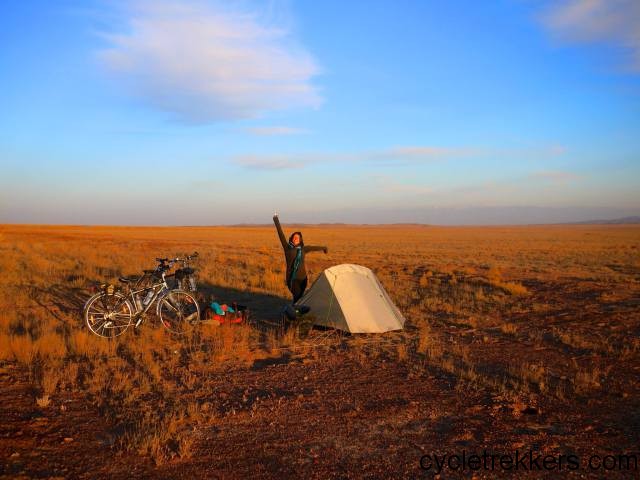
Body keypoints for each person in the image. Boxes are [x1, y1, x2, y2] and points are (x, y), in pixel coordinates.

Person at [273, 213, 328, 304]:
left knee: (299, 299)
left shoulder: (303, 249)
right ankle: (294, 314)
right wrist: (276, 220)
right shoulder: (287, 248)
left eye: (297, 238)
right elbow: (281, 234)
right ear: (291, 238)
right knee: (297, 297)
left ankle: (295, 313)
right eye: (294, 237)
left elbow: (313, 247)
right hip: (292, 278)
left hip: (303, 279)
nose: (295, 239)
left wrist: (324, 248)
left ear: (300, 240)